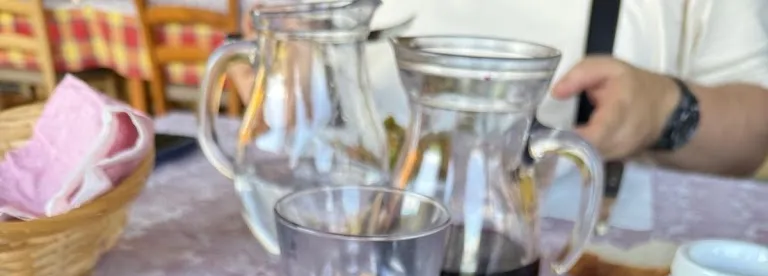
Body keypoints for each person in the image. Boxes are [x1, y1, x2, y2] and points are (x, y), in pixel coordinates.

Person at [233, 0, 768, 177]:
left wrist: (667, 110)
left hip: (576, 268)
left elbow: (755, 130)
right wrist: (280, 86)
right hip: (348, 255)